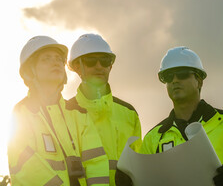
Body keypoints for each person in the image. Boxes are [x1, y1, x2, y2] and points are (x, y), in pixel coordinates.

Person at [138, 46, 223, 186]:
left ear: (199, 81)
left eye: (182, 74)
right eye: (168, 77)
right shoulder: (153, 138)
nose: (174, 80)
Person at [8, 36, 109, 185]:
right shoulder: (22, 113)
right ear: (30, 70)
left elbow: (96, 162)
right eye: (46, 59)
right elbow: (26, 167)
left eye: (58, 59)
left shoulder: (79, 114)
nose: (55, 62)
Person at [68, 33, 142, 186]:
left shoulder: (129, 114)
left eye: (104, 60)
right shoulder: (64, 113)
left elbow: (138, 167)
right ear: (76, 66)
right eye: (90, 61)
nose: (98, 66)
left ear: (111, 65)